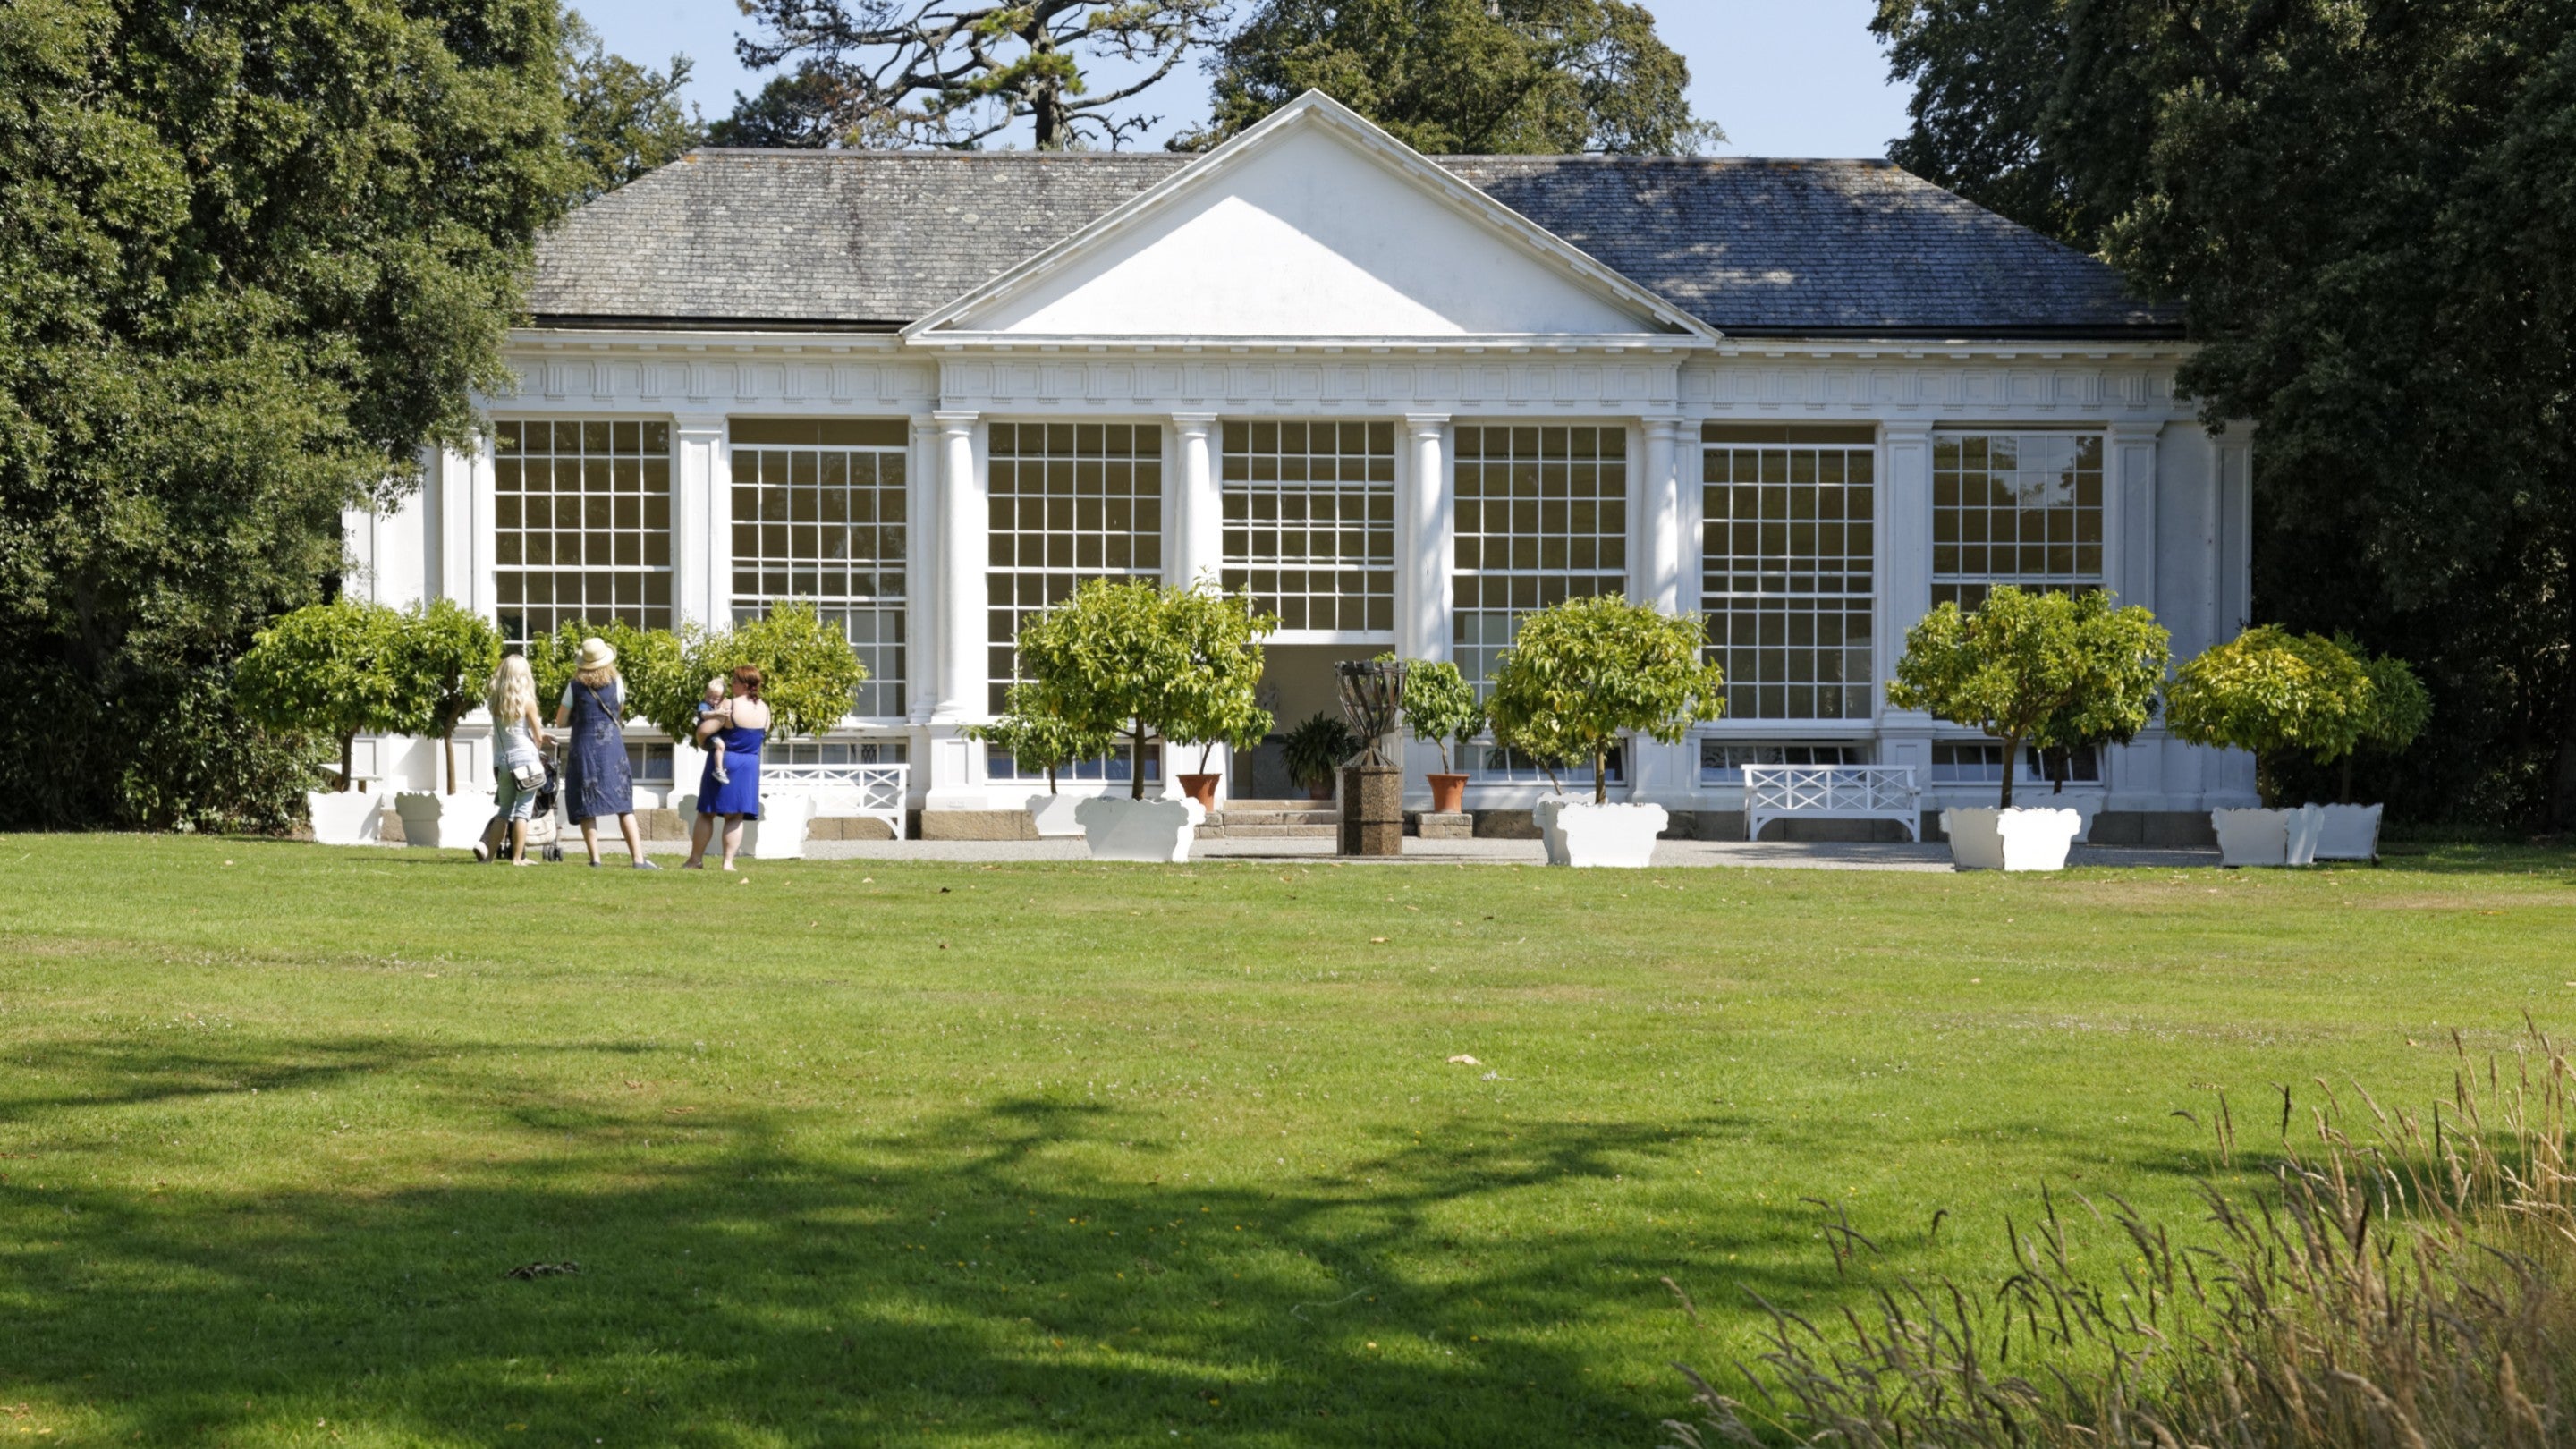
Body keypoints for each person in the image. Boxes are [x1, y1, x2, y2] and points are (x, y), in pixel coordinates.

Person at [555, 636, 659, 869]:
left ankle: (596, 859)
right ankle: (638, 859)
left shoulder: (574, 687)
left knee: (586, 803)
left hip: (584, 748)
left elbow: (560, 720)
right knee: (623, 803)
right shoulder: (617, 682)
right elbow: (619, 710)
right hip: (612, 747)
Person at [683, 665, 771, 871]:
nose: (731, 685)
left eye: (734, 681)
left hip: (725, 761)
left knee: (707, 812)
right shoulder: (765, 708)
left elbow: (705, 729)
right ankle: (728, 863)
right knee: (736, 816)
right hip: (749, 764)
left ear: (743, 684)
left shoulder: (730, 704)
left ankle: (695, 860)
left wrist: (702, 739)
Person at [474, 655, 548, 866]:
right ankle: (517, 858)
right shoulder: (527, 702)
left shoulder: (494, 702)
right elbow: (538, 736)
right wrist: (539, 740)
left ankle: (489, 858)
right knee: (523, 811)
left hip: (503, 760)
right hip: (525, 758)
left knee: (504, 811)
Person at [699, 676, 732, 785]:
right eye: (708, 696)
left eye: (715, 698)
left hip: (715, 732)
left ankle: (720, 767)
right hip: (708, 733)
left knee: (722, 747)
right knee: (720, 746)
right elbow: (704, 715)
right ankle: (718, 770)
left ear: (722, 699)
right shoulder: (704, 705)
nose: (711, 700)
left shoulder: (719, 706)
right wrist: (717, 713)